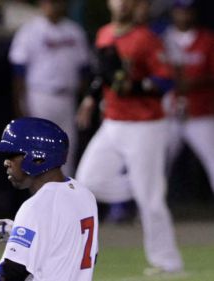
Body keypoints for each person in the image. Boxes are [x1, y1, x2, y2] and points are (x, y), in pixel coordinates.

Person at [75, 0, 184, 276]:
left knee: (151, 199)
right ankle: (144, 187)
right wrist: (90, 98)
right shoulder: (104, 34)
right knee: (89, 181)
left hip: (146, 124)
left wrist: (135, 86)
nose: (121, 3)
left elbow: (166, 80)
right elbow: (103, 74)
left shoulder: (146, 38)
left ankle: (168, 262)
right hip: (113, 122)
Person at [0, 117, 98, 281]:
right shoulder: (84, 194)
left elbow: (11, 272)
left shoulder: (37, 206)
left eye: (13, 155)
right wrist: (19, 230)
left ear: (38, 158)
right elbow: (82, 250)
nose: (6, 162)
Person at [8, 0, 91, 176]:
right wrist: (19, 105)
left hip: (68, 97)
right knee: (39, 154)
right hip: (40, 97)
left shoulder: (74, 31)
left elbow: (84, 69)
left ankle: (65, 200)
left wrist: (83, 100)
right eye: (48, 2)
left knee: (67, 151)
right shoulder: (29, 31)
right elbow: (18, 72)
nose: (52, 6)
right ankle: (40, 201)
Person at [163, 0, 214, 199]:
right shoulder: (162, 38)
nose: (184, 16)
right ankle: (150, 210)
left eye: (188, 12)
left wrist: (192, 82)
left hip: (200, 111)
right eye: (180, 11)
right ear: (173, 12)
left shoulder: (207, 39)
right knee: (159, 163)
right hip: (169, 112)